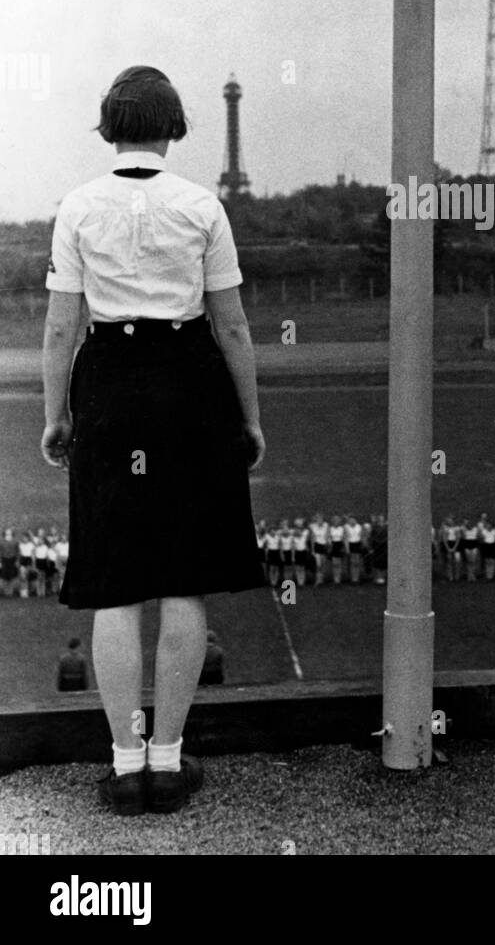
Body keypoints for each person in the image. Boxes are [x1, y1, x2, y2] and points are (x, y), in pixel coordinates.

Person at [40, 65, 266, 816]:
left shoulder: (77, 205)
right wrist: (250, 416)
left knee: (115, 585)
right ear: (174, 126)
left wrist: (56, 414)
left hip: (109, 384)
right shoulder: (200, 206)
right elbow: (231, 324)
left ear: (110, 126)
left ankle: (123, 761)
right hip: (188, 385)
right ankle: (167, 761)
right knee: (182, 581)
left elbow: (62, 328)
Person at [440, 516, 462, 582]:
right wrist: (448, 548)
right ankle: (450, 577)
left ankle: (457, 577)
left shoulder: (457, 528)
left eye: (451, 520)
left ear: (453, 521)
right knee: (449, 562)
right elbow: (444, 539)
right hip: (448, 544)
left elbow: (458, 539)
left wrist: (454, 547)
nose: (450, 521)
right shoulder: (445, 528)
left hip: (456, 545)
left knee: (457, 561)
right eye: (448, 520)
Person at [344, 515, 364, 585]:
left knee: (357, 562)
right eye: (350, 520)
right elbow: (346, 539)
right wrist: (347, 549)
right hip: (351, 545)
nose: (352, 521)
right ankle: (353, 579)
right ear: (349, 521)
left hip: (357, 545)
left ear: (356, 520)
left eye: (353, 520)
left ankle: (357, 578)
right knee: (352, 563)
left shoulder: (359, 526)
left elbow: (361, 537)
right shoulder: (346, 527)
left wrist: (362, 546)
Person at [290, 518, 310, 588]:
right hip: (297, 552)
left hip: (303, 552)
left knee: (303, 567)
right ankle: (299, 582)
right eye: (298, 524)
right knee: (298, 567)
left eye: (300, 524)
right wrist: (292, 556)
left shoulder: (306, 532)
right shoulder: (293, 534)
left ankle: (302, 582)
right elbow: (292, 547)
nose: (299, 526)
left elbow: (308, 541)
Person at [310, 513, 329, 586]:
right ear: (316, 519)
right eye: (317, 519)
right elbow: (312, 539)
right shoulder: (312, 526)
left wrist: (328, 544)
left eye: (320, 519)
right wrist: (312, 550)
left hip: (324, 546)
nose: (319, 520)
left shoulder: (326, 525)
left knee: (323, 564)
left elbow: (327, 536)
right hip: (317, 546)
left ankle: (321, 580)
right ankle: (317, 580)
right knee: (318, 565)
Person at [0, 529, 19, 597]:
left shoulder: (15, 541)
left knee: (11, 576)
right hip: (4, 560)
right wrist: (0, 562)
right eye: (7, 531)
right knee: (4, 576)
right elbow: (0, 552)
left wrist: (17, 561)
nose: (8, 533)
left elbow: (17, 552)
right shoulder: (1, 541)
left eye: (9, 531)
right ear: (5, 533)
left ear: (11, 533)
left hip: (12, 560)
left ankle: (10, 592)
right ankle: (5, 592)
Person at [370, 513, 388, 585]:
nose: (380, 519)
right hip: (376, 547)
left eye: (382, 518)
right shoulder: (374, 528)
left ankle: (382, 577)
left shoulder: (387, 527)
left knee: (384, 562)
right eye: (379, 518)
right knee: (376, 562)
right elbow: (372, 539)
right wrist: (371, 548)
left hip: (384, 547)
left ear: (383, 519)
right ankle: (377, 577)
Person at [328, 515, 346, 585]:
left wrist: (344, 547)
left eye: (337, 520)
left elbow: (344, 538)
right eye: (334, 520)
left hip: (340, 545)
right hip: (333, 545)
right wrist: (329, 546)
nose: (336, 522)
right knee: (334, 563)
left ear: (339, 522)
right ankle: (335, 579)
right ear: (332, 522)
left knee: (339, 563)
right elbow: (329, 537)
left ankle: (338, 579)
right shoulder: (330, 528)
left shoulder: (342, 528)